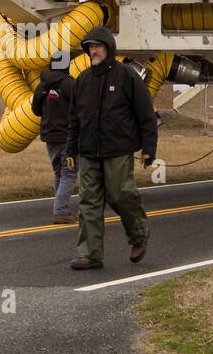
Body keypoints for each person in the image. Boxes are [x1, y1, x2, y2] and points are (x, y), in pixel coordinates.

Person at [65, 25, 156, 271]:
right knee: (88, 202)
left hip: (118, 149)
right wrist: (70, 150)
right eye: (90, 47)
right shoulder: (82, 80)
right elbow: (74, 119)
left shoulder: (127, 76)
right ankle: (90, 254)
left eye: (98, 46)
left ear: (109, 48)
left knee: (120, 195)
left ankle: (138, 235)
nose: (93, 51)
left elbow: (145, 114)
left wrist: (149, 148)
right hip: (88, 153)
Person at [31, 65, 76, 223]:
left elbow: (35, 110)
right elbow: (80, 108)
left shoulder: (42, 86)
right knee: (69, 174)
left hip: (49, 137)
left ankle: (61, 208)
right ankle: (60, 211)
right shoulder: (70, 84)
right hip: (67, 137)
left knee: (58, 173)